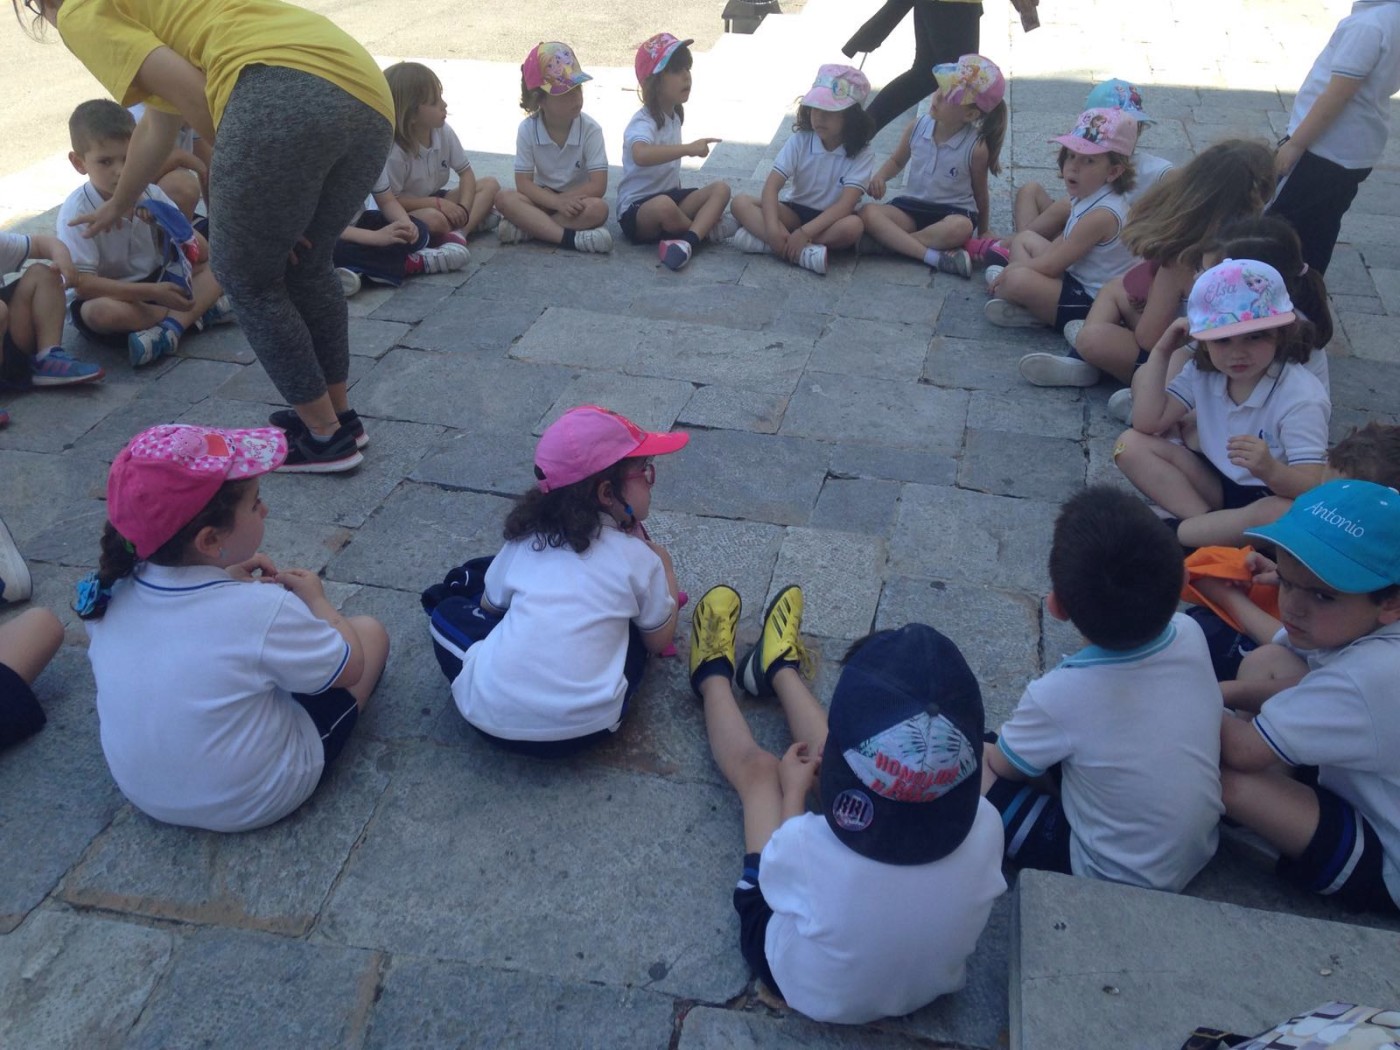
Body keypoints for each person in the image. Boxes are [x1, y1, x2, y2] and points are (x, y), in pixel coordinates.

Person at [21, 0, 397, 473]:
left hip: (280, 89)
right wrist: (121, 202)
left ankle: (325, 440)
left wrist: (258, 194)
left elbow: (195, 94)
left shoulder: (79, 9)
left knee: (246, 278)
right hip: (364, 91)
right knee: (307, 262)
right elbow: (162, 117)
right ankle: (341, 418)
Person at [689, 582, 1004, 1023]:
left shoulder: (804, 845)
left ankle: (712, 679)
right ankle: (775, 666)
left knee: (760, 776)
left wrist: (794, 793)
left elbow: (781, 884)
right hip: (924, 988)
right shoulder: (988, 824)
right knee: (852, 751)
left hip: (803, 983)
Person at [75, 424, 389, 832]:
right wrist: (316, 599)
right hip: (252, 797)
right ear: (209, 541)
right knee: (369, 632)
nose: (265, 511)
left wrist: (226, 578)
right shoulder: (262, 609)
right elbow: (350, 669)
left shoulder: (109, 589)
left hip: (142, 790)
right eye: (255, 503)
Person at [982, 486, 1223, 892]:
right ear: (1182, 580)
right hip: (1195, 851)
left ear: (1056, 607)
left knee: (971, 761)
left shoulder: (1057, 695)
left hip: (1109, 874)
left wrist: (981, 742)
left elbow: (1004, 768)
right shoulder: (1190, 632)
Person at [445, 406, 684, 757]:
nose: (650, 481)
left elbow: (489, 608)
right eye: (644, 472)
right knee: (634, 632)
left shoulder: (523, 542)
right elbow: (659, 640)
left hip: (489, 718)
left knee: (449, 611)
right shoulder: (639, 559)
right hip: (589, 726)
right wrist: (666, 567)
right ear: (607, 494)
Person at [1220, 478, 1400, 916]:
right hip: (1360, 778)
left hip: (1385, 851)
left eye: (1322, 595)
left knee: (1227, 779)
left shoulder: (1374, 673)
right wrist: (1229, 691)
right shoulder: (1355, 623)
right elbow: (1294, 665)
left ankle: (1245, 835)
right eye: (1286, 581)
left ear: (1390, 603)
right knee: (1268, 661)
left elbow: (1243, 753)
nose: (1292, 607)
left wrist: (1175, 685)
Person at [1020, 139, 1275, 389]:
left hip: (1191, 369)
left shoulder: (1182, 258)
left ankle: (1093, 365)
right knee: (1118, 289)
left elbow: (1148, 337)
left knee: (1093, 337)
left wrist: (1148, 303)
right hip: (1244, 367)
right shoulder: (1265, 250)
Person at [1116, 259, 1330, 549]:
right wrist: (1162, 351)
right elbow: (1147, 422)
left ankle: (1182, 533)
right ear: (1203, 341)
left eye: (1254, 337)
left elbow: (1311, 488)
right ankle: (1207, 527)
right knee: (1129, 445)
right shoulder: (1204, 370)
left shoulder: (1301, 396)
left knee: (1280, 512)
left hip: (1268, 495)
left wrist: (1270, 469)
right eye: (1222, 340)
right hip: (1215, 483)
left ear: (1281, 332)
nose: (1237, 353)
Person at [1184, 422, 1400, 695]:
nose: (1318, 505)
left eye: (1337, 504)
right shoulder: (1380, 575)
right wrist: (1286, 573)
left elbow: (1304, 660)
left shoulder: (1374, 656)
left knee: (1257, 659)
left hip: (1329, 691)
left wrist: (1227, 598)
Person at [1105, 215, 1337, 425]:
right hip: (1226, 417)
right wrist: (1163, 353)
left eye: (1206, 271)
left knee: (1166, 420)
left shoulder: (1284, 330)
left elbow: (1246, 417)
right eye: (1200, 268)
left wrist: (1176, 417)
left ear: (1250, 280)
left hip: (1260, 442)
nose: (1196, 277)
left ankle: (1151, 408)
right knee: (1149, 380)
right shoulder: (1237, 312)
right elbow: (1186, 361)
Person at [58, 100, 229, 369]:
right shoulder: (76, 212)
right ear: (79, 163)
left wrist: (167, 222)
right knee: (101, 313)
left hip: (156, 284)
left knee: (223, 262)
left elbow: (203, 253)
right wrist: (154, 292)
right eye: (105, 161)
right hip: (115, 294)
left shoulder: (149, 191)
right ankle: (190, 317)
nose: (119, 170)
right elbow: (82, 285)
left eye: (128, 158)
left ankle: (170, 329)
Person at [967, 77, 1174, 268]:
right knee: (1030, 190)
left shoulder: (1151, 169)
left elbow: (1180, 182)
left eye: (1130, 126)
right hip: (1071, 231)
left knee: (1064, 208)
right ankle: (1017, 247)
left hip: (1100, 242)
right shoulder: (1084, 153)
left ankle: (1009, 248)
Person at [1269, 0, 1400, 275]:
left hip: (1324, 147)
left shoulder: (1367, 26)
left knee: (1274, 226)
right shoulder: (1389, 18)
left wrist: (1296, 144)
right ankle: (1308, 295)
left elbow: (1338, 94)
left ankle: (1265, 296)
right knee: (1321, 227)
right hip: (1357, 149)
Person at [984, 108, 1137, 332]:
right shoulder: (1088, 195)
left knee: (1015, 280)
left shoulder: (1102, 214)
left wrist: (1014, 269)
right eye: (1072, 155)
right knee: (1025, 239)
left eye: (1089, 161)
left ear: (1113, 172)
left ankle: (1040, 313)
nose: (1073, 166)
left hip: (1091, 302)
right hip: (1074, 278)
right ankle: (1033, 306)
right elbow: (1063, 243)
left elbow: (1052, 264)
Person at [860, 53, 1007, 277]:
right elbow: (897, 160)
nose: (937, 97)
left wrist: (984, 229)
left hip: (952, 213)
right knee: (868, 212)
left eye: (949, 97)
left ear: (970, 114)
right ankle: (930, 254)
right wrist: (880, 177)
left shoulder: (976, 147)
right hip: (911, 208)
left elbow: (980, 194)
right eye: (940, 89)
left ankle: (893, 245)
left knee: (961, 228)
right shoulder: (917, 126)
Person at [728, 65, 875, 276]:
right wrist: (771, 227)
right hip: (794, 211)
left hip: (830, 220)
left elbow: (845, 205)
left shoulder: (863, 152)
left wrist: (805, 233)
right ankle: (797, 250)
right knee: (740, 202)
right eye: (815, 109)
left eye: (829, 112)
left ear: (851, 117)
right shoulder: (800, 141)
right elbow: (771, 187)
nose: (819, 117)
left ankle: (775, 245)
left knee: (853, 226)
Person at [616, 33, 734, 272]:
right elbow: (640, 154)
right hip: (637, 212)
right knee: (663, 206)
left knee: (721, 189)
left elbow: (669, 174)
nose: (686, 76)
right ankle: (703, 232)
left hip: (670, 198)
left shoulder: (674, 115)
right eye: (676, 70)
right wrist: (689, 149)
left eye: (687, 69)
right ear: (654, 83)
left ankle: (687, 242)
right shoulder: (644, 121)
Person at [848, 0, 1040, 133]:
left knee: (926, 75)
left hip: (945, 5)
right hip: (953, 5)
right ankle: (955, 171)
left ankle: (853, 135)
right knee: (959, 88)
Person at [494, 41, 612, 254]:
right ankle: (570, 239)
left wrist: (565, 200)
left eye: (578, 88)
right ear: (540, 100)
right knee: (504, 198)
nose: (576, 98)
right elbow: (523, 183)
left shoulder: (590, 129)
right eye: (565, 93)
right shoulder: (528, 129)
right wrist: (555, 201)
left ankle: (530, 228)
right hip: (542, 198)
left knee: (599, 209)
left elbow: (598, 185)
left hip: (577, 200)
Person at [380, 61, 497, 251]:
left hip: (434, 198)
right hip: (403, 211)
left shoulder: (442, 131)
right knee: (435, 219)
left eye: (440, 97)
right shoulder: (395, 151)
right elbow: (392, 201)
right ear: (411, 115)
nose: (444, 105)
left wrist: (464, 210)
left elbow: (466, 173)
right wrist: (438, 204)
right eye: (434, 102)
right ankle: (466, 224)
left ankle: (460, 232)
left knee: (490, 184)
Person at [0, 227, 103, 412]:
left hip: (9, 341)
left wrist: (63, 260)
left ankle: (47, 357)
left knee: (44, 273)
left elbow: (42, 243)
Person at [327, 187, 435, 299]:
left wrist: (405, 224)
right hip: (326, 235)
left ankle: (359, 269)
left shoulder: (370, 169)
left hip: (359, 221)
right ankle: (413, 263)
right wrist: (375, 237)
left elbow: (387, 201)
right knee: (331, 251)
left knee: (419, 230)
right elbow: (321, 228)